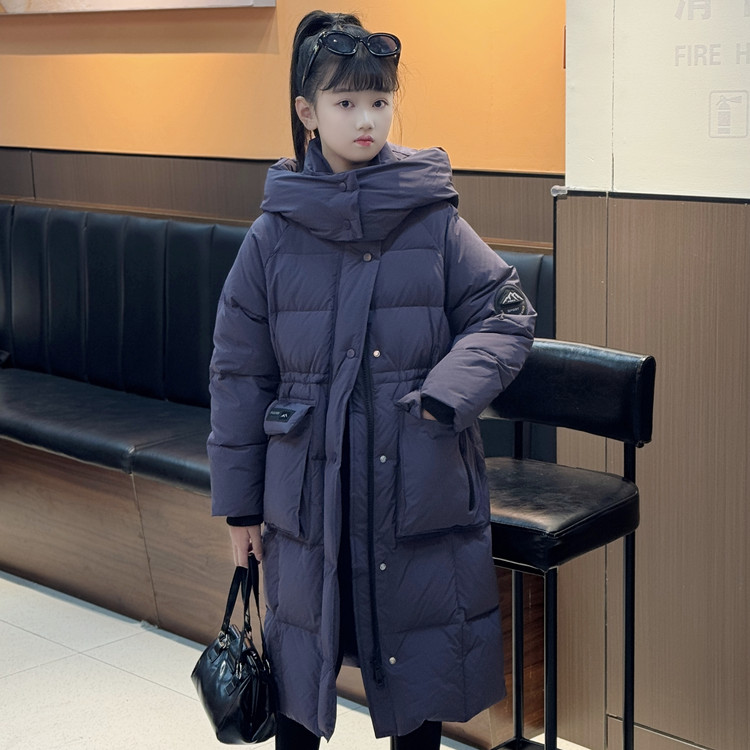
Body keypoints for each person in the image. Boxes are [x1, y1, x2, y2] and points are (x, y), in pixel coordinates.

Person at [207, 9, 536, 749]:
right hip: (308, 496)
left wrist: (446, 395)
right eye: (346, 101)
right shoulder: (273, 234)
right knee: (299, 677)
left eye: (380, 100)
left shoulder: (432, 217)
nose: (366, 119)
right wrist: (239, 508)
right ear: (308, 112)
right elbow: (238, 374)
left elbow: (507, 313)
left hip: (415, 481)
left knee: (417, 675)